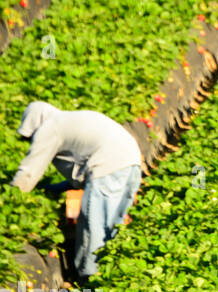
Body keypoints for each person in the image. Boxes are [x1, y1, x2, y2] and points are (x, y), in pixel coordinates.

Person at [10, 101, 143, 278]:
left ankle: (90, 278)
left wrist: (9, 199)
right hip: (131, 163)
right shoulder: (69, 120)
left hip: (109, 167)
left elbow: (27, 174)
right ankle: (113, 274)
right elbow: (81, 173)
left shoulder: (50, 128)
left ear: (35, 123)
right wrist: (54, 188)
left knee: (93, 226)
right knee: (112, 226)